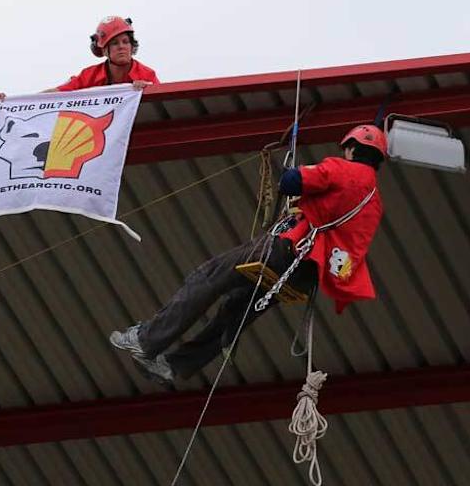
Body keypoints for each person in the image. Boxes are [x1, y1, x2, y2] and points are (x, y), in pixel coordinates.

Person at [110, 125, 388, 385]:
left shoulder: (342, 169)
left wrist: (293, 168)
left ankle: (147, 340)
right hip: (305, 277)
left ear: (351, 148)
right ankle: (176, 365)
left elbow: (292, 181)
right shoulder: (375, 203)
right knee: (235, 312)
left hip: (285, 252)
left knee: (209, 276)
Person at [0, 16, 159, 103]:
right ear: (104, 50)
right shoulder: (89, 76)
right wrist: (11, 102)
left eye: (125, 42)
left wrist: (148, 91)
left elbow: (163, 101)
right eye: (114, 43)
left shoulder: (146, 74)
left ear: (132, 45)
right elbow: (57, 93)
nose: (121, 47)